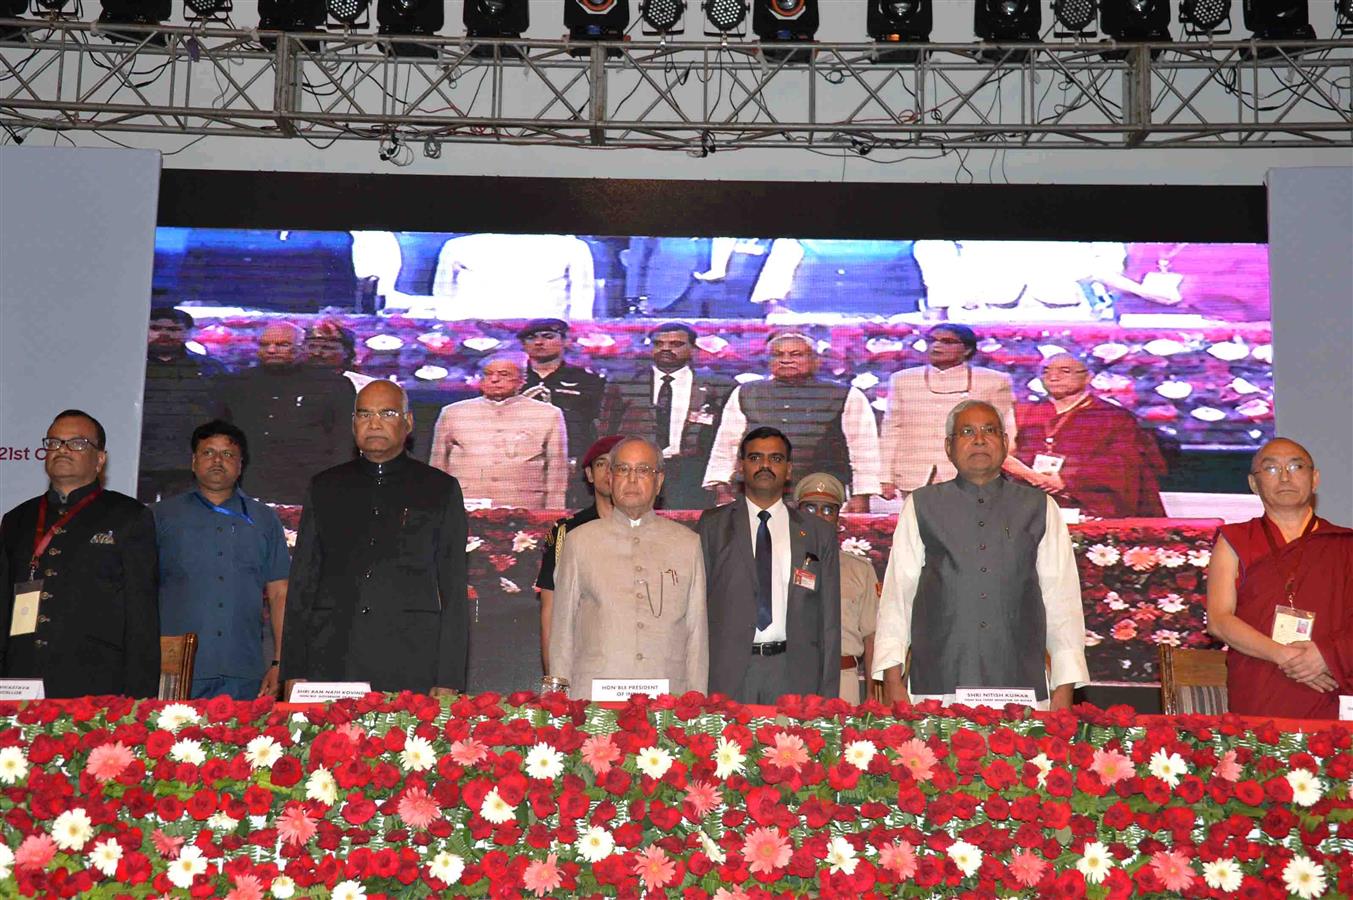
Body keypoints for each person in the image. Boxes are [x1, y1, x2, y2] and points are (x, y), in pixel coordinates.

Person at [873, 400, 1088, 710]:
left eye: (989, 430)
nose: (979, 439)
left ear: (1004, 443)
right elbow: (898, 597)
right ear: (949, 447)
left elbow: (1062, 602)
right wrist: (892, 679)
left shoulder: (1039, 508)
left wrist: (1065, 688)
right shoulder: (922, 505)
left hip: (1021, 685)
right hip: (938, 681)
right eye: (966, 432)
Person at [280, 380, 470, 694]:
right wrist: (293, 669)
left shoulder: (439, 489)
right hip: (332, 656)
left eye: (388, 413)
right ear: (353, 424)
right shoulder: (326, 487)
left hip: (411, 659)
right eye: (365, 414)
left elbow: (452, 587)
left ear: (408, 422)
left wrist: (448, 678)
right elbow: (303, 583)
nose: (375, 423)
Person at [0, 410, 159, 698]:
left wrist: (139, 701)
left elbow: (142, 617)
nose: (62, 450)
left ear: (100, 459)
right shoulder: (16, 520)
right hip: (19, 679)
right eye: (54, 442)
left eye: (77, 443)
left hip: (94, 682)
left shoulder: (128, 517)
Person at [548, 437, 708, 700]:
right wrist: (558, 702)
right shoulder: (579, 541)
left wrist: (695, 703)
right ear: (610, 478)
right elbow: (563, 630)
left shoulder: (687, 543)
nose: (632, 479)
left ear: (659, 481)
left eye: (643, 470)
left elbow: (696, 632)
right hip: (593, 701)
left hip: (667, 703)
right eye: (623, 469)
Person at [1205, 438, 1353, 719]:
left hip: (1330, 682)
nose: (1285, 476)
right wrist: (1285, 657)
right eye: (1271, 469)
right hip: (1262, 680)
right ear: (1253, 483)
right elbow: (1219, 621)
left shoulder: (1345, 544)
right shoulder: (1235, 540)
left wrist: (1325, 655)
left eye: (1296, 466)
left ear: (1315, 479)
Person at [698, 427, 841, 703]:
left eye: (775, 459)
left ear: (789, 470)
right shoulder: (713, 525)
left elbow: (829, 622)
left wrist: (828, 697)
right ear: (741, 467)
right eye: (755, 458)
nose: (765, 466)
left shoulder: (816, 533)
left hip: (794, 673)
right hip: (728, 672)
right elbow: (697, 607)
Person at [153, 421, 290, 699]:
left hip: (244, 670)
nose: (217, 460)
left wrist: (279, 661)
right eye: (208, 453)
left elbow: (280, 594)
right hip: (173, 670)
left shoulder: (264, 519)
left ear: (241, 465)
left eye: (227, 454)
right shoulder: (160, 517)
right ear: (193, 462)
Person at [703, 333, 882, 512]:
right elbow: (726, 445)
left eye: (796, 355)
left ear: (816, 360)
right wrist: (721, 486)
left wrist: (862, 495)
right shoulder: (745, 393)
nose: (786, 360)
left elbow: (863, 450)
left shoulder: (847, 395)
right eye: (778, 355)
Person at [1011, 353, 1166, 517]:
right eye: (1045, 371)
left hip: (1090, 505)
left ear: (1088, 377)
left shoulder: (1112, 416)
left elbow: (1124, 462)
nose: (1053, 377)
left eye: (1065, 371)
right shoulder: (1027, 412)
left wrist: (1067, 480)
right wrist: (1032, 477)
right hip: (1031, 504)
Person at [219, 321, 355, 505]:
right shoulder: (238, 383)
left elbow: (343, 439)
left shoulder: (332, 384)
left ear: (303, 348)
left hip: (308, 482)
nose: (272, 350)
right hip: (250, 481)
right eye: (265, 345)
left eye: (283, 345)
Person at [879, 324, 1016, 500]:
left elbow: (1006, 431)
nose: (936, 346)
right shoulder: (903, 380)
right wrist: (885, 477)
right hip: (914, 474)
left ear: (966, 350)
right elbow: (892, 430)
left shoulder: (994, 380)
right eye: (931, 340)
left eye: (947, 342)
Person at [601, 323, 728, 509]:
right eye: (659, 343)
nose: (666, 348)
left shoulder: (718, 386)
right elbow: (605, 431)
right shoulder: (623, 383)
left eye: (676, 344)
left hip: (691, 472)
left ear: (693, 349)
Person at [429, 356, 568, 509]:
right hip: (466, 502)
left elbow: (557, 469)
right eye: (488, 374)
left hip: (524, 504)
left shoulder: (548, 414)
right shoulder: (453, 412)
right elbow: (438, 465)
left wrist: (554, 513)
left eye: (504, 374)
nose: (494, 379)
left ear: (521, 380)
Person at [536, 434, 622, 672]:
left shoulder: (656, 533)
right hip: (583, 661)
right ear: (589, 474)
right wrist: (554, 677)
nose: (610, 472)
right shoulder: (566, 530)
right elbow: (551, 608)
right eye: (602, 464)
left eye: (618, 465)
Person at [793, 473, 879, 705]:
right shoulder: (777, 564)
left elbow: (871, 637)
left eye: (828, 510)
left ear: (838, 518)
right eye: (810, 509)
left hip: (845, 682)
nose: (819, 516)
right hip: (790, 682)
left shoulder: (860, 570)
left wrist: (872, 696)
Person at [139, 306, 226, 503]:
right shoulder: (129, 368)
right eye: (155, 328)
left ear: (189, 333)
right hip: (138, 463)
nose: (164, 334)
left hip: (188, 465)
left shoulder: (211, 370)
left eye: (173, 329)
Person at [519, 319, 607, 508]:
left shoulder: (588, 381)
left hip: (574, 464)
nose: (539, 343)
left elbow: (599, 424)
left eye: (548, 337)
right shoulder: (511, 380)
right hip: (519, 464)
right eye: (531, 338)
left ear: (566, 341)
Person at [428, 233, 597, 320]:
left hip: (542, 335)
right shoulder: (457, 246)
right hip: (473, 334)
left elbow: (581, 308)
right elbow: (443, 299)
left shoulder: (573, 247)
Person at [304, 319, 377, 392]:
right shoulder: (293, 381)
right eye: (312, 347)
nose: (317, 353)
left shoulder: (368, 388)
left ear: (346, 353)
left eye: (327, 348)